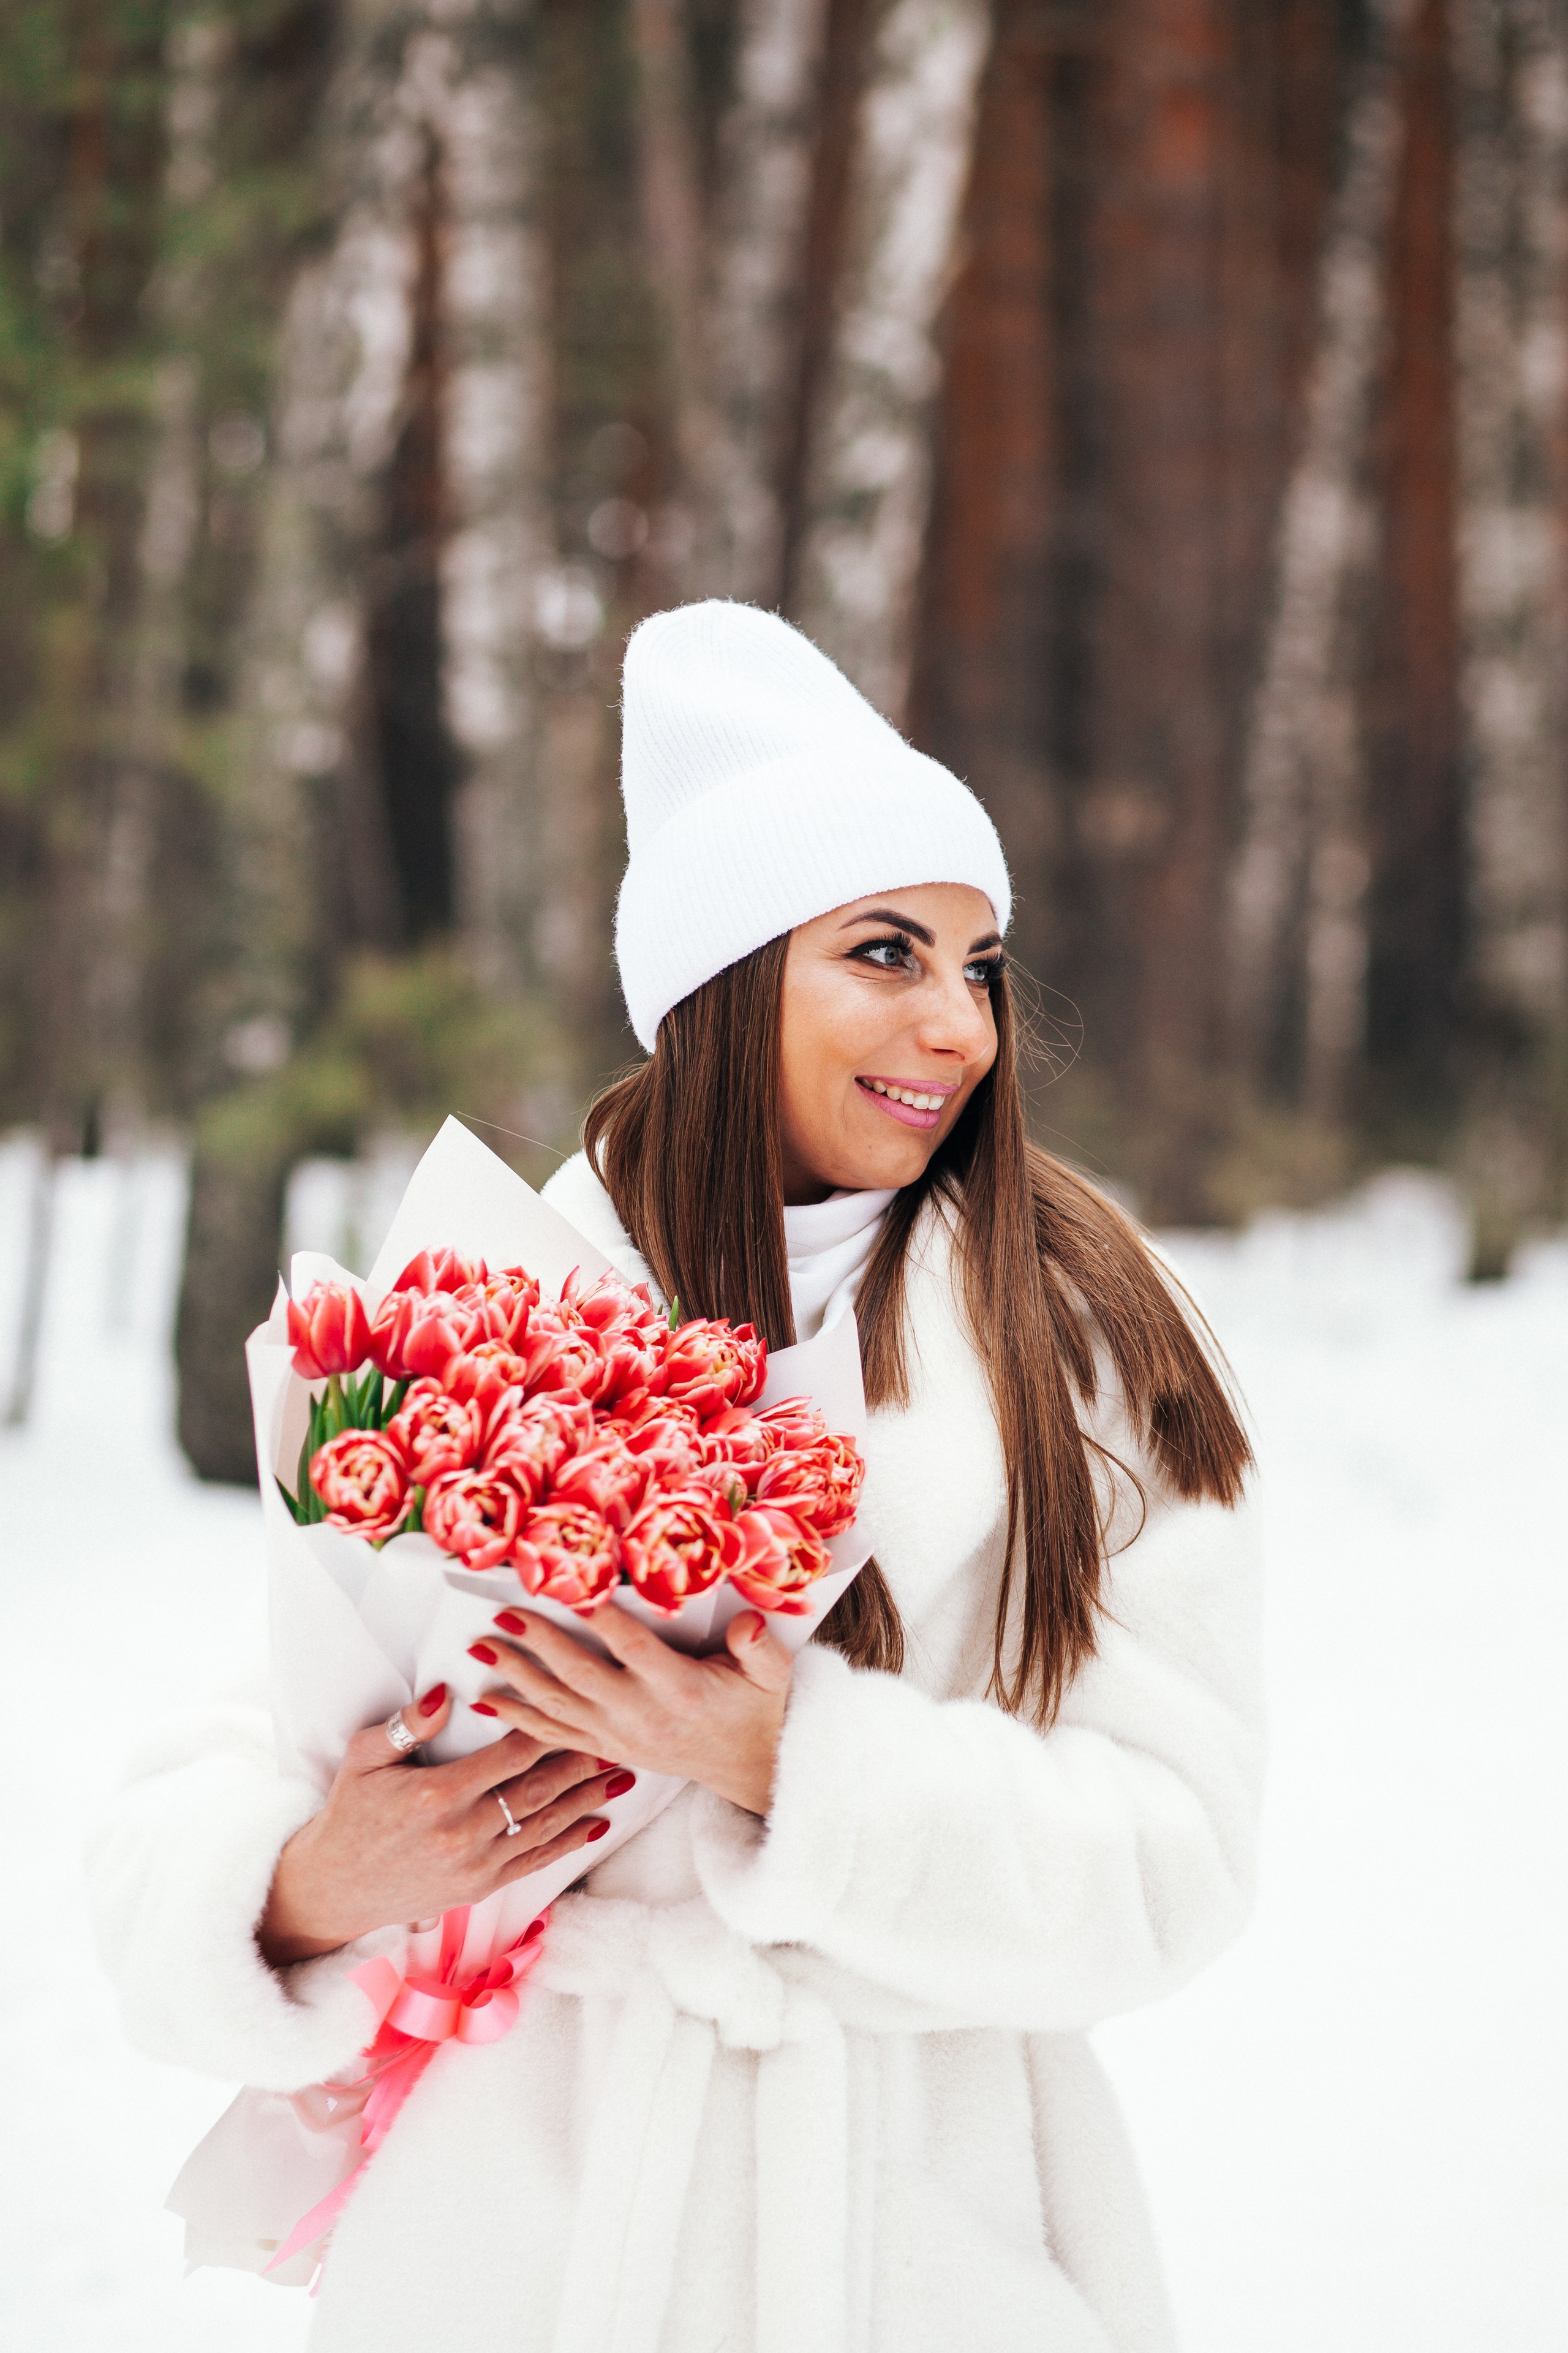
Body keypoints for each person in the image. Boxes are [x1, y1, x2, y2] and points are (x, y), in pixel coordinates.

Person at [92, 600, 1261, 2352]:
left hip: (929, 2256)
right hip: (517, 2263)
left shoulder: (1086, 1331)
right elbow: (209, 1783)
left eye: (980, 962)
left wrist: (800, 1767)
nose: (959, 1023)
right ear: (727, 981)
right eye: (887, 951)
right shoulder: (493, 1300)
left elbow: (1179, 1860)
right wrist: (312, 1880)